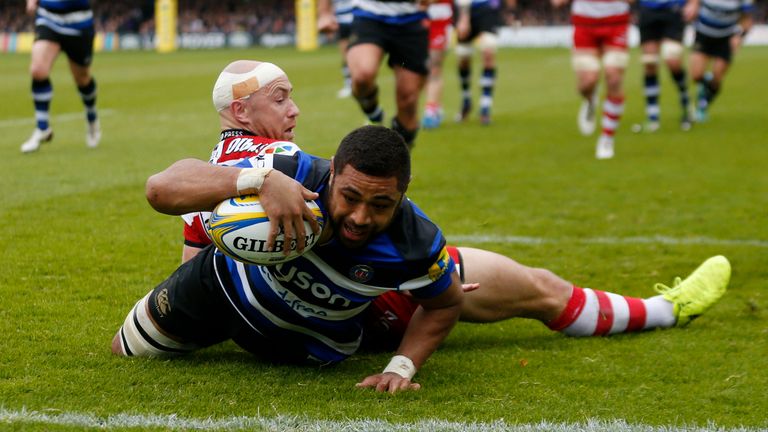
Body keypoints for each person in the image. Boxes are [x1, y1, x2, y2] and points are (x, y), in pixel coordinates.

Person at [154, 61, 731, 388]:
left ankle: (664, 309)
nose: (294, 109)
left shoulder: (227, 169)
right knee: (539, 289)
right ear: (240, 111)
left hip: (367, 293)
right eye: (281, 99)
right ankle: (668, 308)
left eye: (293, 98)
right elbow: (196, 265)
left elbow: (191, 261)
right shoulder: (253, 166)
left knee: (486, 285)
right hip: (365, 298)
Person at [112, 61, 465, 395]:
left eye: (380, 204)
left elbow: (447, 302)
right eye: (350, 197)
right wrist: (260, 180)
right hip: (221, 289)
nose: (359, 216)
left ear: (404, 191)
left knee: (458, 275)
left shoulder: (417, 240)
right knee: (124, 350)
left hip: (317, 341)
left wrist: (401, 367)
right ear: (333, 170)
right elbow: (160, 189)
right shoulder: (285, 164)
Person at [317, 0, 429, 148]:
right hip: (369, 14)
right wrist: (324, 12)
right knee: (362, 75)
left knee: (408, 99)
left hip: (411, 19)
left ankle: (398, 163)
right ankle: (374, 113)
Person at [551, 0, 630, 159]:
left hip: (616, 22)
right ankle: (590, 100)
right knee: (587, 83)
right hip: (584, 24)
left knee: (613, 77)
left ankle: (607, 139)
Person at [20, 0, 101, 154]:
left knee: (82, 79)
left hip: (79, 23)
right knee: (38, 70)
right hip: (48, 17)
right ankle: (42, 127)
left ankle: (91, 114)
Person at [632, 0, 699, 133]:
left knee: (672, 60)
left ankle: (686, 103)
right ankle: (653, 117)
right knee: (649, 62)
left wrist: (694, 3)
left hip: (673, 9)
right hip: (647, 9)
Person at [688, 0, 753, 123]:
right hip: (703, 35)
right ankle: (704, 86)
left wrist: (739, 36)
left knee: (717, 78)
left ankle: (703, 106)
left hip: (725, 39)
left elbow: (747, 20)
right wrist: (692, 7)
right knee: (696, 75)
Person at [454, 0, 515, 125]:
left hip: (488, 8)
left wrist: (511, 13)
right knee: (463, 58)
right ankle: (466, 100)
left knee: (488, 51)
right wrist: (464, 17)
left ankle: (485, 107)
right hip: (466, 8)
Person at [421, 0, 455, 129]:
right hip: (420, 20)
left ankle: (430, 111)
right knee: (423, 68)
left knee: (434, 66)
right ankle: (436, 106)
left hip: (441, 22)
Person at [333, 0, 355, 99]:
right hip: (341, 21)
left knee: (356, 54)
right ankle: (348, 85)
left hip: (356, 19)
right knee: (345, 55)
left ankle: (355, 84)